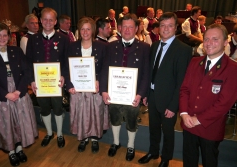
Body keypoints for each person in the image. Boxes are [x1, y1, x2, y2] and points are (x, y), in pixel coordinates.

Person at [138, 12, 192, 167]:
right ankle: (153, 152)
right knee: (153, 128)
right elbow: (151, 72)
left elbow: (182, 82)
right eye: (163, 25)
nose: (166, 28)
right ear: (158, 27)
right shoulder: (154, 45)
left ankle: (165, 158)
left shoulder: (184, 50)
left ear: (176, 28)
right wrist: (147, 93)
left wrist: (174, 106)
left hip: (169, 100)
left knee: (168, 133)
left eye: (169, 25)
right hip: (153, 95)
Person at [179, 23, 237, 167]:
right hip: (188, 125)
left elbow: (224, 103)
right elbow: (184, 89)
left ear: (225, 42)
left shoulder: (232, 69)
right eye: (206, 39)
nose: (209, 43)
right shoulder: (194, 62)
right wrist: (184, 114)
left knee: (209, 162)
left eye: (215, 39)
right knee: (189, 161)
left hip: (210, 128)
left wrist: (198, 119)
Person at [101, 13, 150, 161]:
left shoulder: (145, 47)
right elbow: (104, 70)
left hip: (133, 95)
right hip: (114, 94)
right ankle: (116, 143)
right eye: (125, 27)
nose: (127, 30)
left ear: (136, 29)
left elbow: (146, 74)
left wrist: (140, 94)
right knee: (114, 118)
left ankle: (130, 145)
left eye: (131, 27)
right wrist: (103, 90)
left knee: (132, 120)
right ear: (120, 28)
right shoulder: (110, 46)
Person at [0, 22, 38, 166]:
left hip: (19, 92)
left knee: (19, 123)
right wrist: (6, 94)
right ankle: (11, 151)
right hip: (0, 96)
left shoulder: (16, 51)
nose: (2, 38)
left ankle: (20, 148)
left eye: (5, 35)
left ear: (9, 36)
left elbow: (26, 72)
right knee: (6, 124)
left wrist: (18, 91)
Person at [65, 17, 109, 153]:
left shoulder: (102, 47)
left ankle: (95, 139)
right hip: (77, 89)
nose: (85, 32)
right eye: (82, 29)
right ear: (79, 30)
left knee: (95, 113)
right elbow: (66, 68)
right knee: (81, 114)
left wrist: (99, 82)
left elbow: (105, 68)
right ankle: (83, 138)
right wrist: (69, 84)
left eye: (88, 29)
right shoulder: (72, 46)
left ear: (93, 31)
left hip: (94, 88)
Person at [26, 7, 69, 148]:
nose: (48, 22)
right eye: (45, 19)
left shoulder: (63, 39)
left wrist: (63, 75)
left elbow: (67, 60)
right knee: (44, 108)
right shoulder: (33, 39)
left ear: (56, 21)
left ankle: (60, 134)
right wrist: (32, 80)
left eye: (51, 19)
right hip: (40, 83)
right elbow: (28, 61)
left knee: (58, 108)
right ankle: (50, 133)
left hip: (56, 82)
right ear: (40, 20)